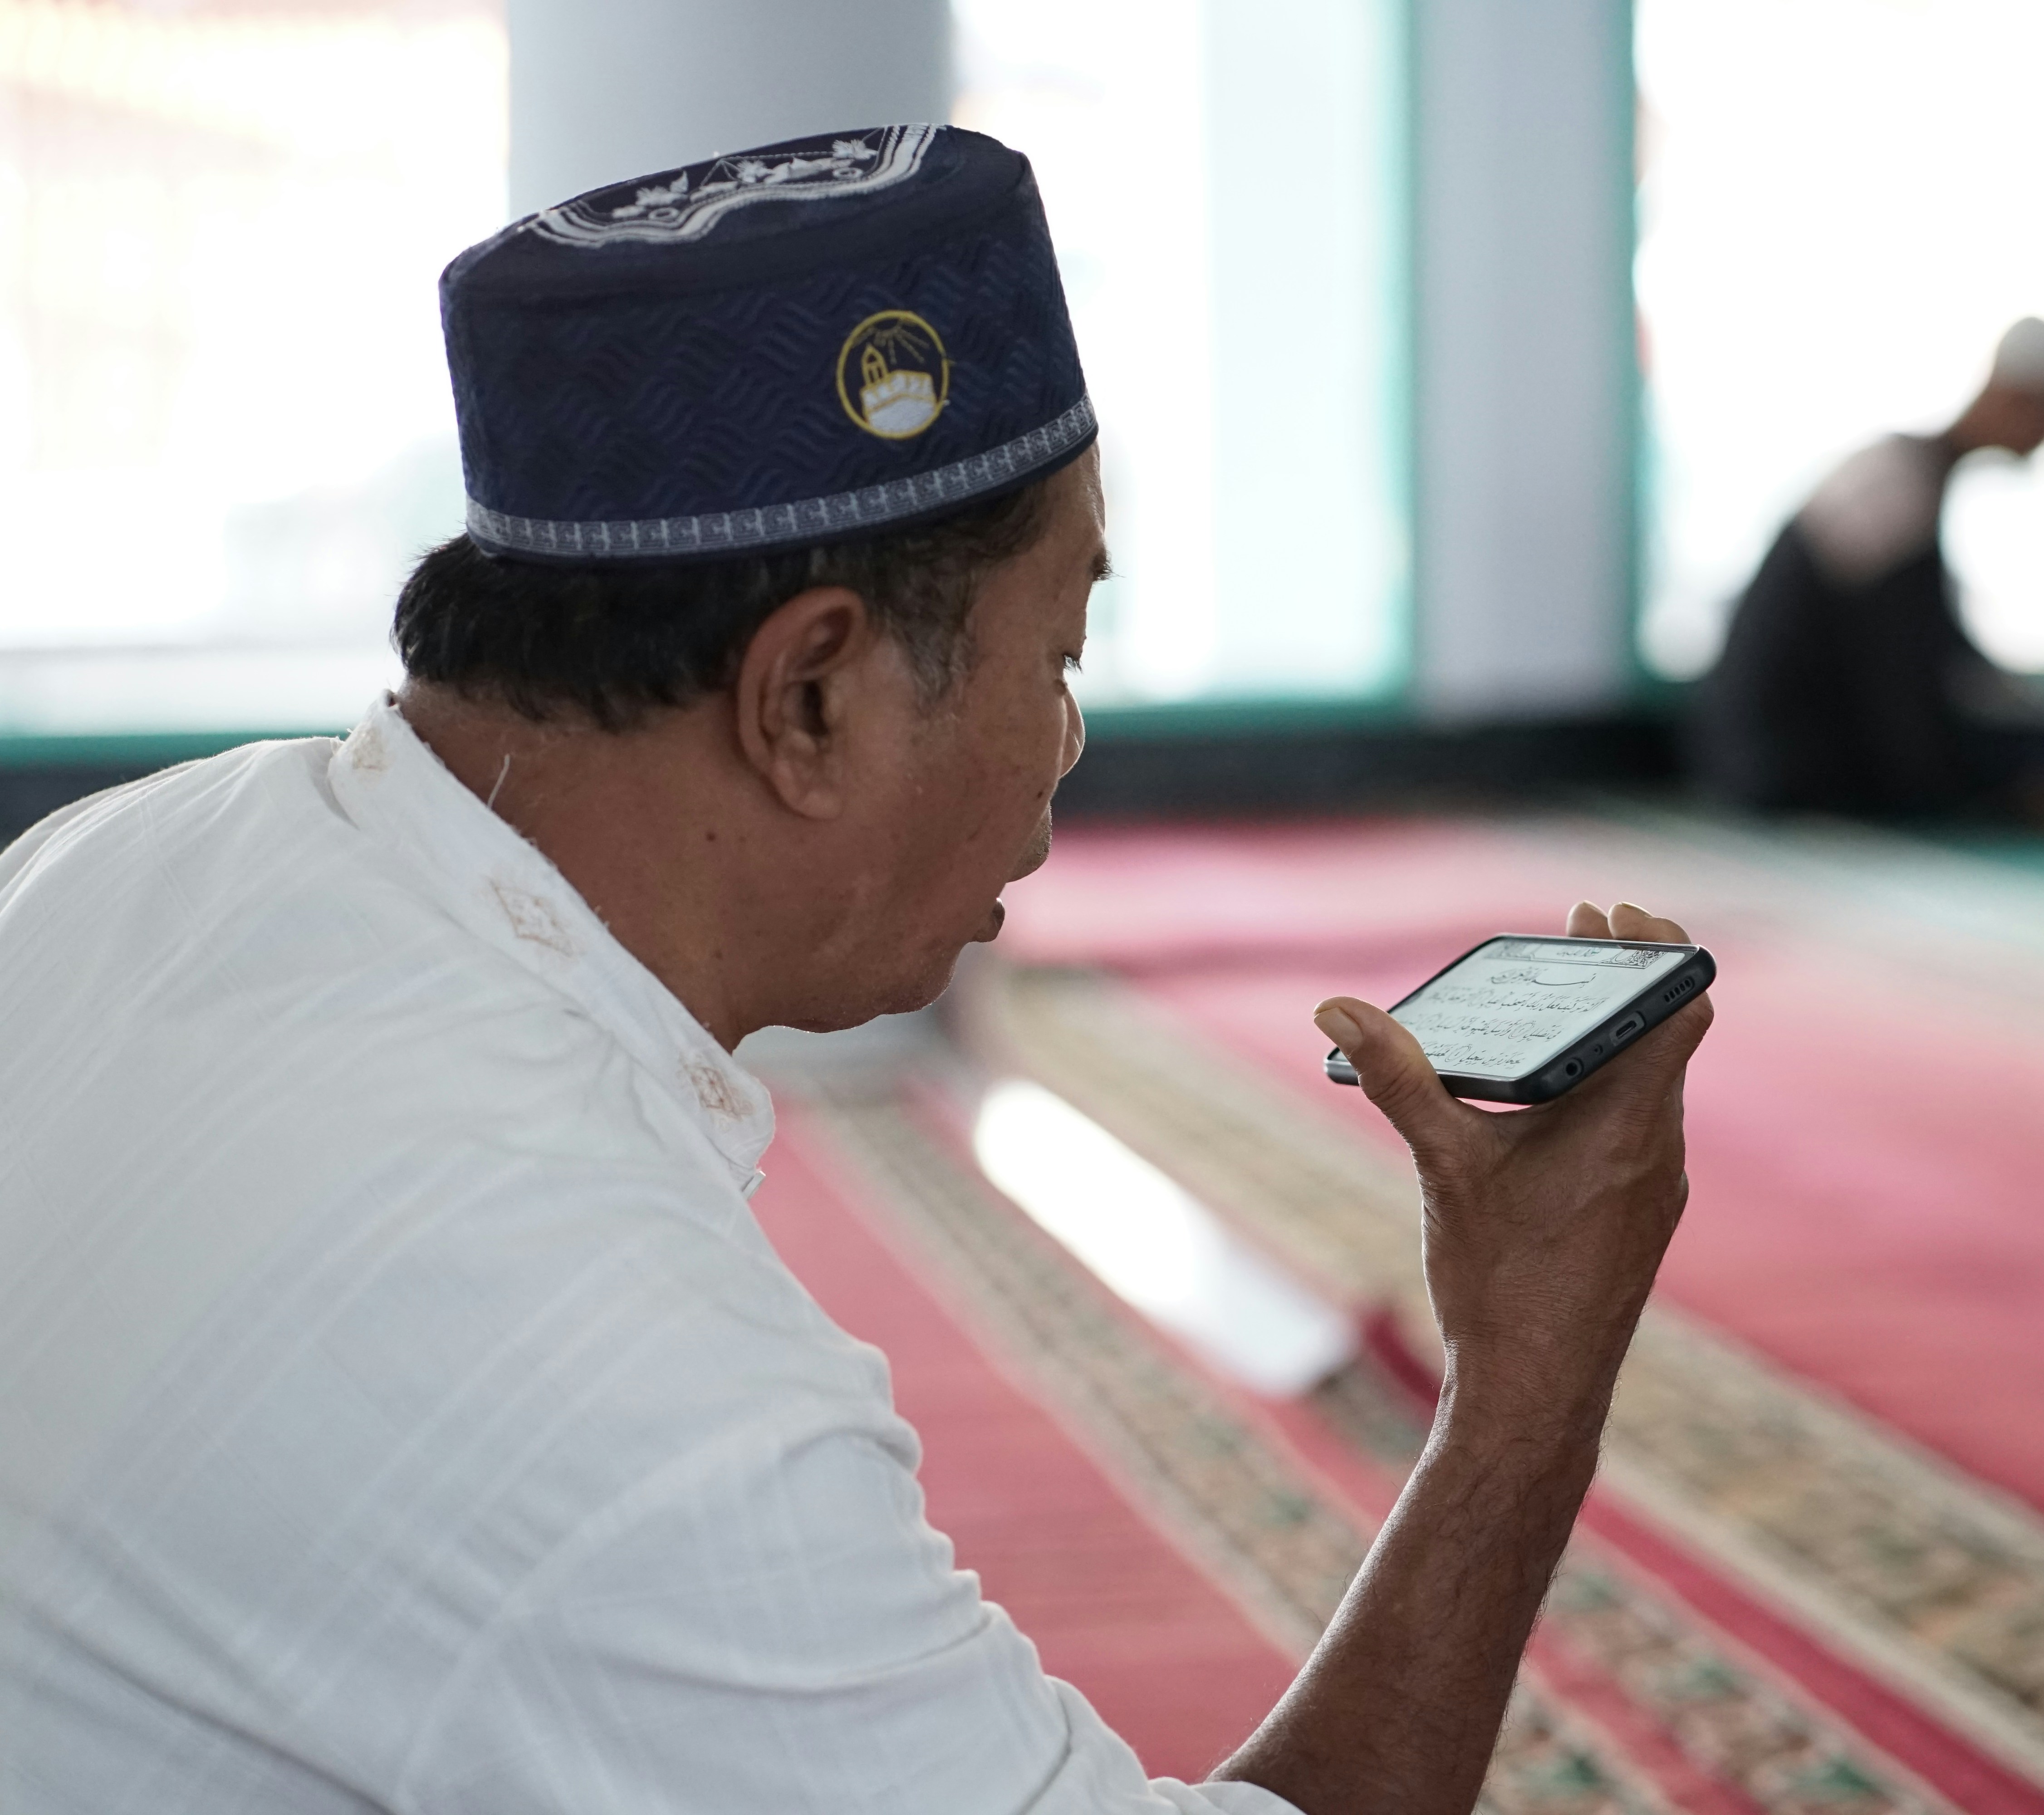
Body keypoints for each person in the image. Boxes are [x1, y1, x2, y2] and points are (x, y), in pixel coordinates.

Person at [0, 127, 1709, 1815]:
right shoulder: (604, 1354)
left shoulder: (122, 847)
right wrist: (1525, 1384)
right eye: (1056, 656)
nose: (1064, 743)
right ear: (809, 697)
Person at [1688, 317, 2044, 828]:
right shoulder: (1895, 482)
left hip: (1774, 754)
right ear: (2012, 397)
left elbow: (1923, 645)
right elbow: (1888, 672)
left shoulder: (1914, 474)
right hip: (1780, 762)